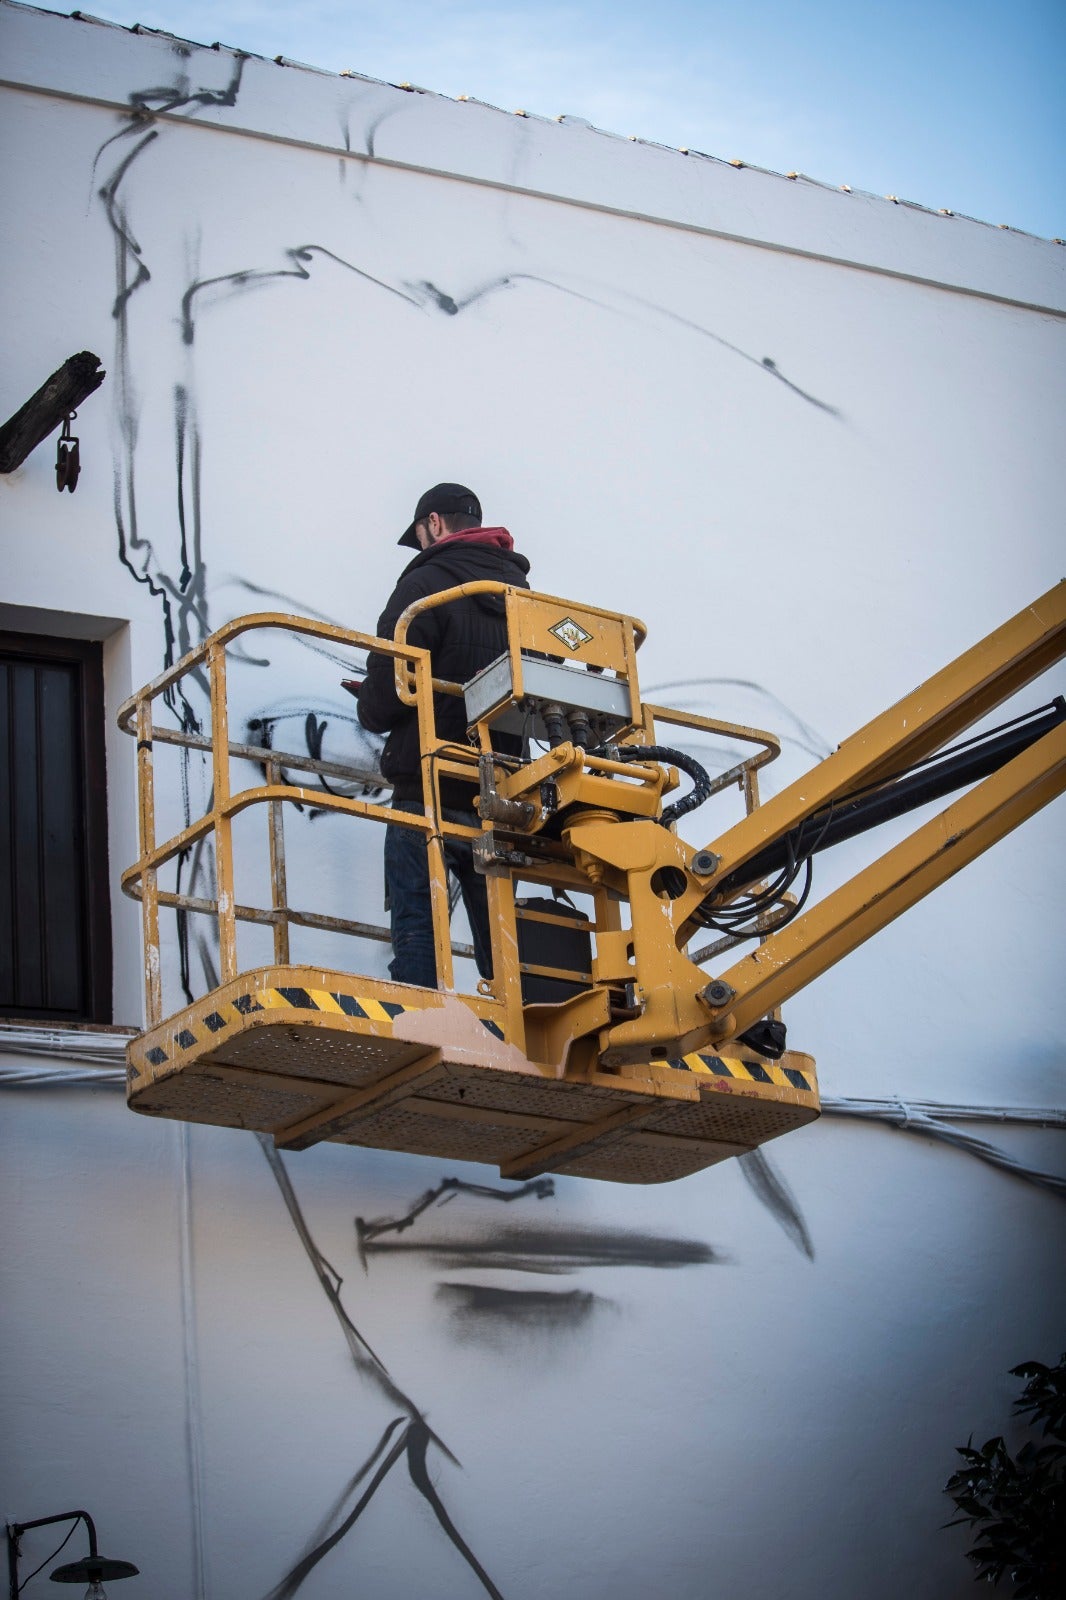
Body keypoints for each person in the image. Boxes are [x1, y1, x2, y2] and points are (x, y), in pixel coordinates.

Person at [356, 483, 532, 988]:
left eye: (419, 534)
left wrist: (368, 706)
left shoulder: (426, 582)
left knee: (418, 930)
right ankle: (515, 1020)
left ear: (433, 523)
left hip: (426, 788)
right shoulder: (521, 595)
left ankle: (422, 1011)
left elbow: (390, 684)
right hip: (496, 795)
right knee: (503, 942)